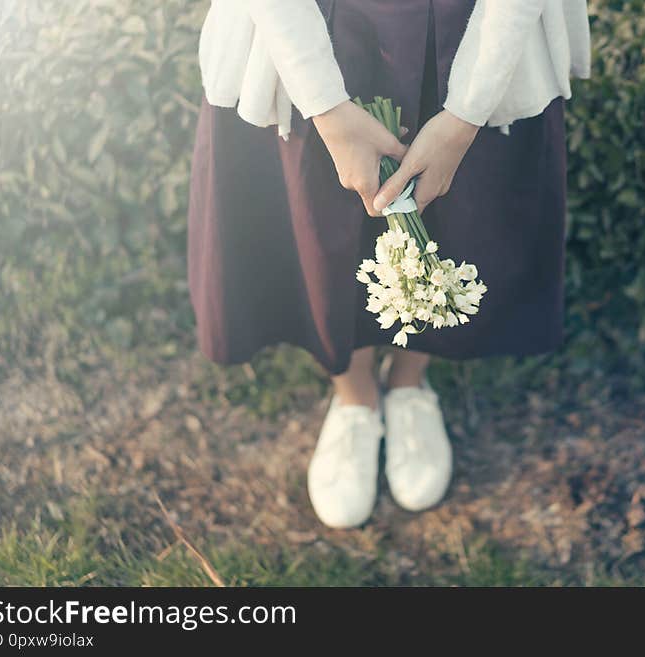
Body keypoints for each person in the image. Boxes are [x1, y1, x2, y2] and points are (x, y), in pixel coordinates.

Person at [188, 0, 591, 528]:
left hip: (475, 26)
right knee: (320, 230)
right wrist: (327, 109)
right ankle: (355, 399)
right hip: (308, 25)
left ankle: (408, 381)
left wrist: (466, 113)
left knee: (456, 220)